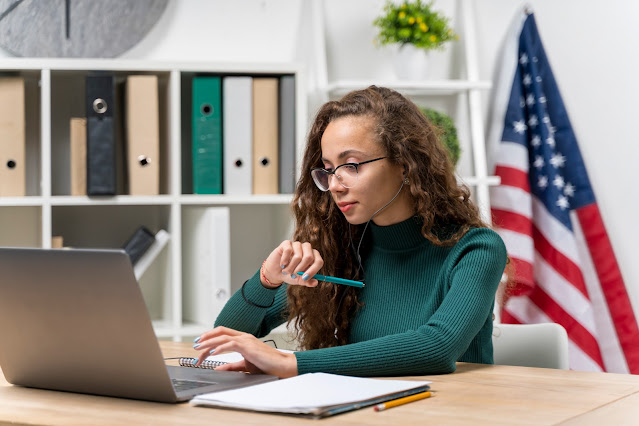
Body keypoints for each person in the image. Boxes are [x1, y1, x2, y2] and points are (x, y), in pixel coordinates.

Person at [193, 86, 507, 379]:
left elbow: (438, 347)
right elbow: (224, 336)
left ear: (405, 164)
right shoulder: (341, 251)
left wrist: (291, 363)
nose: (335, 185)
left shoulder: (476, 249)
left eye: (352, 165)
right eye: (328, 169)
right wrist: (266, 280)